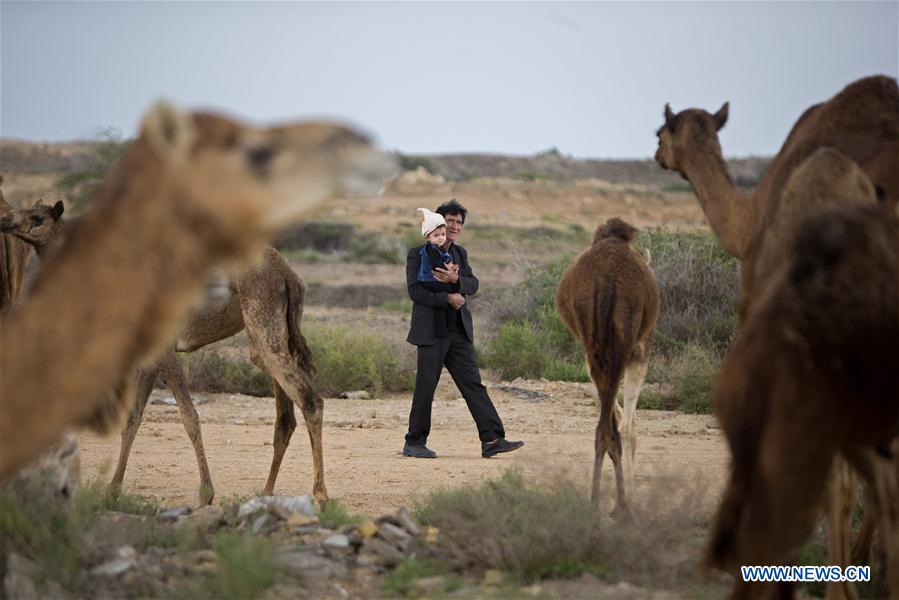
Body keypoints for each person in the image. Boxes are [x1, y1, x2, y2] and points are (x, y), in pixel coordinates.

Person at [403, 199, 525, 459]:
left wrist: (456, 280)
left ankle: (492, 439)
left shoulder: (460, 254)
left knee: (473, 384)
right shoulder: (418, 253)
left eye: (459, 222)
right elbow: (415, 292)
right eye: (450, 221)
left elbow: (473, 284)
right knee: (426, 387)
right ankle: (414, 442)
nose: (455, 226)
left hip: (458, 331)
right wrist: (447, 298)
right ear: (438, 222)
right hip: (431, 331)